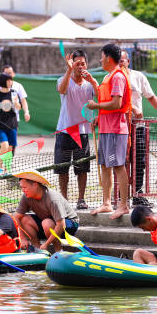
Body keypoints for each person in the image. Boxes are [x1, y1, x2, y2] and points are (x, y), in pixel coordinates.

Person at [119, 50, 157, 207]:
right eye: (118, 60)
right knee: (120, 163)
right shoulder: (113, 77)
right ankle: (120, 198)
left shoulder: (138, 76)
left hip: (138, 126)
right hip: (120, 126)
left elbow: (150, 96)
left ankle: (137, 195)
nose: (121, 63)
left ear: (128, 61)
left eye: (123, 60)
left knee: (139, 162)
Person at [87, 43, 131, 219]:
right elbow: (106, 100)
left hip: (115, 129)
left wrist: (96, 105)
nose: (100, 59)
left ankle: (123, 205)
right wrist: (99, 115)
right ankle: (106, 203)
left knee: (118, 166)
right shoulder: (108, 77)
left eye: (101, 56)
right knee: (104, 165)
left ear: (108, 58)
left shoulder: (118, 77)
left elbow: (116, 103)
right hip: (105, 127)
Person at [55, 50, 97, 210]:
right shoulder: (63, 79)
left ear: (87, 64)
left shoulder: (89, 84)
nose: (80, 66)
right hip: (64, 131)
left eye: (82, 63)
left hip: (84, 131)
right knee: (62, 168)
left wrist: (93, 82)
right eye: (76, 63)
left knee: (82, 168)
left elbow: (100, 98)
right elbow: (62, 90)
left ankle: (81, 199)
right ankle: (64, 200)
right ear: (71, 65)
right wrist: (68, 70)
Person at [14, 170, 80, 252]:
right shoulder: (26, 196)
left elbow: (61, 224)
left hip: (69, 224)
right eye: (21, 188)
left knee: (47, 223)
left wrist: (46, 244)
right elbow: (16, 217)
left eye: (25, 187)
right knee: (24, 219)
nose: (23, 190)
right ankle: (37, 249)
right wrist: (22, 238)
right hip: (48, 221)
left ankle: (58, 251)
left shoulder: (52, 198)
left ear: (35, 185)